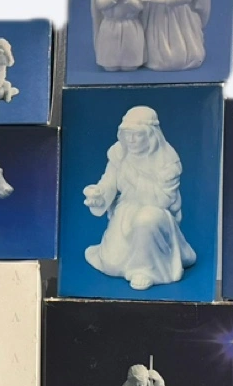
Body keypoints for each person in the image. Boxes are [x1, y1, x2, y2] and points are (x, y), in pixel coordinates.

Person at [83, 106, 197, 290]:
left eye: (137, 134)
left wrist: (134, 177)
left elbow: (163, 199)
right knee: (112, 264)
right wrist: (98, 196)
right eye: (127, 134)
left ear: (151, 135)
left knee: (146, 220)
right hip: (126, 211)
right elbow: (109, 182)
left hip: (155, 213)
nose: (131, 140)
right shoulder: (119, 152)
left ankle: (145, 270)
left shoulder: (167, 161)